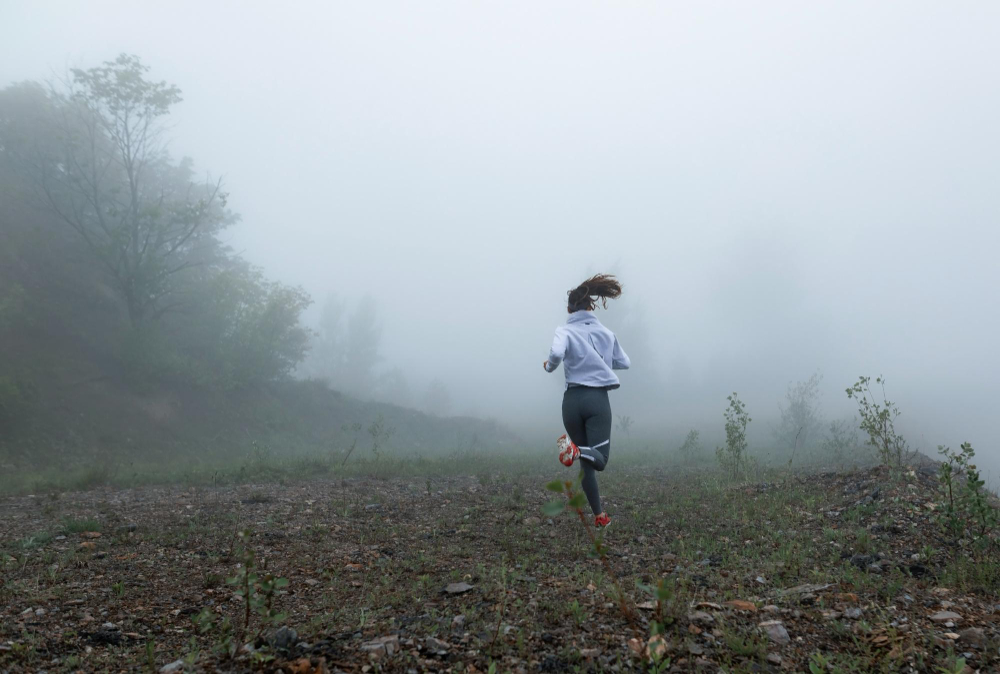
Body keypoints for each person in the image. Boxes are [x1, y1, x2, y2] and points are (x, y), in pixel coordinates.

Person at [543, 274, 630, 528]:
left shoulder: (565, 330)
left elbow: (557, 353)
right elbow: (625, 362)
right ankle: (575, 450)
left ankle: (600, 516)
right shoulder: (606, 333)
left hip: (571, 401)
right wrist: (600, 359)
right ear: (591, 306)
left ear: (569, 309)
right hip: (596, 401)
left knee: (587, 464)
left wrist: (550, 366)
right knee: (599, 458)